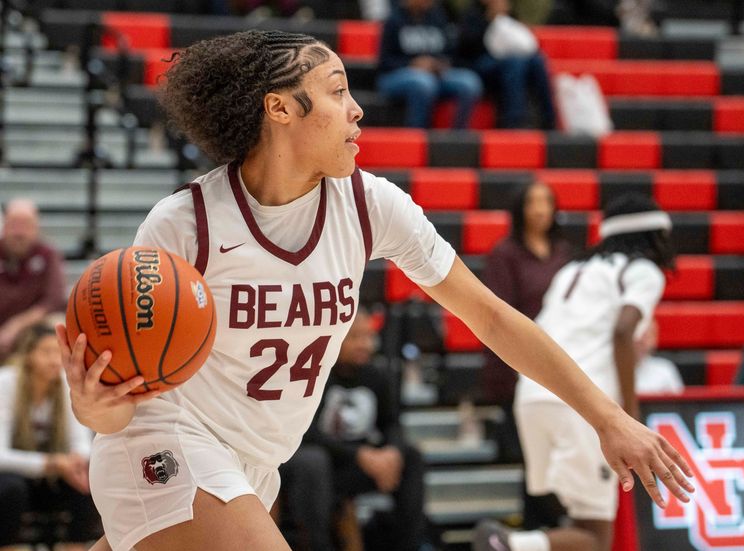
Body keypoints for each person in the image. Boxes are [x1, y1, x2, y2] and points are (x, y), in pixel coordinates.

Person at [56, 30, 692, 551]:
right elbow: (125, 400)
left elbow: (492, 319)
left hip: (254, 465)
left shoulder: (372, 208)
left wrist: (609, 419)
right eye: (337, 91)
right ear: (279, 107)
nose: (357, 108)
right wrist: (92, 408)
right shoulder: (184, 223)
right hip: (168, 444)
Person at [475, 194, 677, 551]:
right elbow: (622, 332)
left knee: (568, 519)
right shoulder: (642, 270)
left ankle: (516, 543)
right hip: (583, 404)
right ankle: (506, 544)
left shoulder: (572, 268)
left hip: (534, 396)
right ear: (654, 236)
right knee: (596, 537)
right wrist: (629, 414)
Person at [281, 308, 426, 551]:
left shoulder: (376, 375)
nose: (365, 345)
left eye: (369, 337)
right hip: (320, 463)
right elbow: (307, 432)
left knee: (411, 457)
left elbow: (391, 422)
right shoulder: (314, 372)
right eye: (356, 337)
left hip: (356, 466)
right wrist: (360, 455)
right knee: (313, 462)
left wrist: (391, 452)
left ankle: (406, 545)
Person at [481, 180, 571, 461]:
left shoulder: (564, 252)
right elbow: (497, 311)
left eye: (547, 201)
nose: (541, 209)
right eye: (533, 202)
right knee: (531, 455)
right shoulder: (504, 253)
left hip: (564, 351)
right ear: (520, 209)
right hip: (522, 358)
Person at [0, 323, 100, 551]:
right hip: (16, 477)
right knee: (10, 489)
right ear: (28, 355)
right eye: (46, 352)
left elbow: (81, 444)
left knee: (87, 482)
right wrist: (52, 463)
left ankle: (74, 546)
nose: (55, 360)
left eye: (58, 352)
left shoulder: (65, 383)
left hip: (55, 476)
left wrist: (74, 463)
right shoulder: (6, 382)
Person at [377, 0, 483, 128]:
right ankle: (417, 134)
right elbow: (385, 62)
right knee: (423, 83)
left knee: (470, 82)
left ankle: (458, 136)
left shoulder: (438, 17)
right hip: (396, 75)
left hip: (435, 74)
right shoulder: (394, 20)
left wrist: (440, 63)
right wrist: (412, 64)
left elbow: (450, 52)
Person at [457, 0, 556, 129]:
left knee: (537, 60)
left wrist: (505, 17)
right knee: (514, 63)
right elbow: (466, 46)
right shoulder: (473, 13)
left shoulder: (508, 13)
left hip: (508, 59)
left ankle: (549, 119)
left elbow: (520, 40)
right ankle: (514, 121)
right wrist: (489, 20)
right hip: (478, 62)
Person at [0, 199, 66, 362]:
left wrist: (16, 326)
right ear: (4, 226)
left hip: (31, 330)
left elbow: (54, 300)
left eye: (26, 225)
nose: (19, 232)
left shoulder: (48, 254)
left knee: (57, 323)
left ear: (36, 228)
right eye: (14, 224)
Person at [634, 321, 683, 395]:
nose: (640, 340)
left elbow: (679, 404)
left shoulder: (665, 369)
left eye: (646, 335)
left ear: (654, 339)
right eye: (635, 335)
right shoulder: (611, 370)